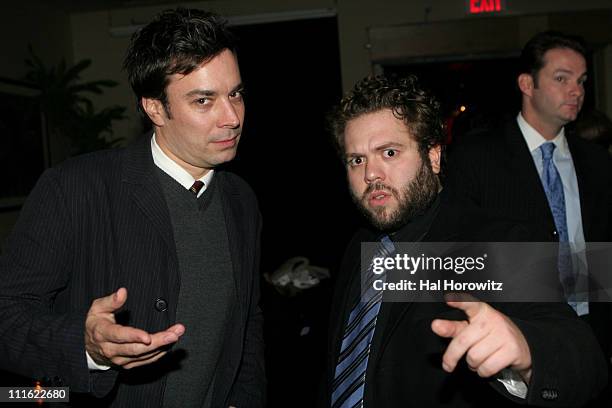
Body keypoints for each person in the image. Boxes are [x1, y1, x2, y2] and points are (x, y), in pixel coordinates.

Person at [0, 8, 265, 407]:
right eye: (203, 100)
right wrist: (86, 345)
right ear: (154, 108)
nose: (232, 118)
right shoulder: (74, 188)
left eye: (236, 94)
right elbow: (7, 315)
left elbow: (247, 322)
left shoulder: (241, 199)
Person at [321, 74, 607, 407]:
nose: (370, 174)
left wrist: (527, 350)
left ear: (433, 157)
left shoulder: (495, 241)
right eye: (357, 160)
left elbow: (587, 364)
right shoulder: (359, 245)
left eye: (389, 152)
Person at [446, 31, 612, 405]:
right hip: (517, 335)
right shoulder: (477, 158)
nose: (576, 90)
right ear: (527, 83)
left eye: (582, 81)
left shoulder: (597, 162)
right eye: (562, 78)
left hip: (590, 333)